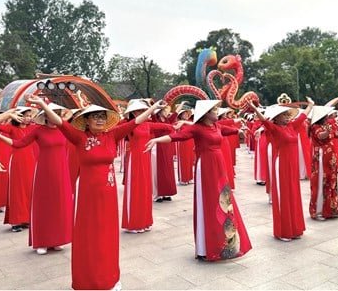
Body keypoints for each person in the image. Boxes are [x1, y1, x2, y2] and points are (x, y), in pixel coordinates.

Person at [25, 94, 166, 290]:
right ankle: (86, 280)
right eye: (95, 116)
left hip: (108, 195)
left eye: (102, 116)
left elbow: (137, 121)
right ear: (86, 121)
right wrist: (42, 105)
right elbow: (60, 123)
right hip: (87, 195)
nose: (99, 119)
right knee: (88, 236)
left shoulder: (112, 135)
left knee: (107, 236)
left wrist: (153, 108)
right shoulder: (79, 137)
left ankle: (109, 278)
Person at [145, 100, 252, 261]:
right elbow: (178, 136)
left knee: (224, 201)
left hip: (219, 166)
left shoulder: (217, 127)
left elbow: (231, 130)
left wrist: (241, 131)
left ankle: (227, 244)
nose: (217, 113)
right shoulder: (197, 128)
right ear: (206, 114)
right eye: (214, 111)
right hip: (206, 167)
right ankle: (206, 246)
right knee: (209, 203)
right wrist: (157, 140)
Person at [0, 102, 74, 255]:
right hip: (43, 172)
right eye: (52, 113)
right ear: (45, 115)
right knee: (43, 205)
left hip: (62, 172)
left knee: (59, 204)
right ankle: (42, 241)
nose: (55, 116)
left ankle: (58, 239)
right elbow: (19, 144)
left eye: (58, 113)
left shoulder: (64, 129)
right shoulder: (38, 131)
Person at [249, 97, 314, 242]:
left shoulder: (293, 126)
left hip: (292, 166)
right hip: (281, 165)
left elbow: (303, 115)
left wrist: (311, 105)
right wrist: (254, 109)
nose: (287, 117)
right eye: (284, 115)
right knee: (283, 196)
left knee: (293, 195)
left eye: (287, 115)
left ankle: (295, 228)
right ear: (276, 118)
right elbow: (264, 121)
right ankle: (283, 231)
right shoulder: (274, 128)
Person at [121, 99, 174, 233]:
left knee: (145, 189)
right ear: (131, 113)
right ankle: (133, 223)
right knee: (135, 189)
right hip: (135, 159)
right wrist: (154, 107)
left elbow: (165, 127)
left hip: (146, 158)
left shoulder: (148, 125)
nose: (139, 112)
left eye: (141, 110)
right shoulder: (129, 125)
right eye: (136, 110)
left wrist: (177, 127)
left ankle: (144, 221)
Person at [309, 106, 338, 221]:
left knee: (332, 184)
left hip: (330, 159)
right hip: (321, 159)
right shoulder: (315, 127)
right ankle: (318, 211)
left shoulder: (326, 126)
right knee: (321, 183)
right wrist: (329, 130)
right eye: (326, 115)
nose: (328, 117)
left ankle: (332, 210)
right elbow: (321, 136)